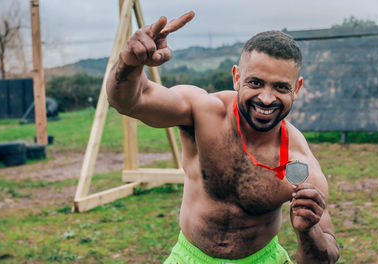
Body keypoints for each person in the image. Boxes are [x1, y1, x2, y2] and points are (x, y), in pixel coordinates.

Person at [107, 11, 339, 264]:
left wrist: (308, 231)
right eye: (256, 83)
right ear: (237, 78)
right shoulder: (204, 112)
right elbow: (130, 101)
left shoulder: (299, 164)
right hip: (190, 257)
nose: (266, 98)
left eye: (281, 87)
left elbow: (324, 257)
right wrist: (130, 62)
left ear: (296, 89)